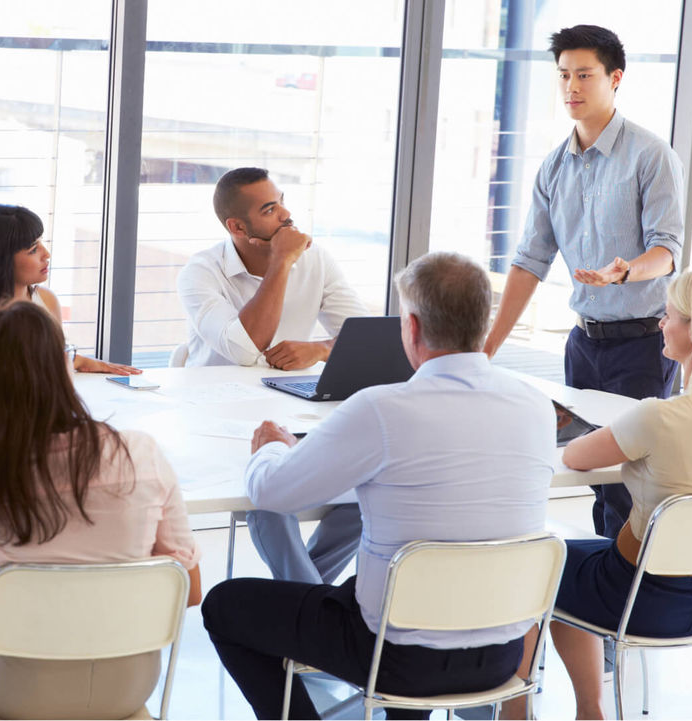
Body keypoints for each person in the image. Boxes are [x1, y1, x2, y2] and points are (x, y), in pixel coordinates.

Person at [203, 252, 556, 720]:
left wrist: (272, 446)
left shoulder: (383, 409)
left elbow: (271, 493)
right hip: (502, 657)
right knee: (401, 599)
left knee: (225, 606)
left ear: (410, 326)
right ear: (483, 321)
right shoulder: (536, 406)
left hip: (395, 660)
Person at [507, 270, 692, 720]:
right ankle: (590, 712)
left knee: (533, 561)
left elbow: (575, 456)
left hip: (637, 599)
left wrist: (628, 444)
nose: (661, 325)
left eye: (668, 315)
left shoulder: (660, 417)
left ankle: (515, 713)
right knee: (573, 558)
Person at [0, 300, 202, 719]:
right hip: (127, 684)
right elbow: (190, 590)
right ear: (65, 366)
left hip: (15, 688)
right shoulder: (140, 454)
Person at [482, 25, 686, 541]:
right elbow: (530, 260)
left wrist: (626, 270)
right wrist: (486, 348)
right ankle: (604, 581)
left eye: (585, 75)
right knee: (594, 478)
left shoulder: (650, 155)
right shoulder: (553, 167)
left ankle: (630, 596)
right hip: (583, 344)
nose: (572, 86)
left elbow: (668, 252)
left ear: (615, 78)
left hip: (643, 343)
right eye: (564, 75)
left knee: (633, 480)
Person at [177, 167, 366, 585]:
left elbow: (364, 336)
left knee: (366, 491)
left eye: (281, 200)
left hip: (295, 409)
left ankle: (304, 601)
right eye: (270, 208)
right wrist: (281, 261)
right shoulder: (200, 272)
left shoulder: (316, 259)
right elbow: (245, 351)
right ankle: (310, 605)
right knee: (269, 501)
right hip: (219, 422)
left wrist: (319, 349)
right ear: (237, 227)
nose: (285, 214)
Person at [0, 203, 140, 378]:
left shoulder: (45, 299)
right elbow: (6, 375)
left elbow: (50, 363)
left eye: (41, 243)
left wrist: (78, 361)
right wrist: (74, 360)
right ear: (0, 261)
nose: (46, 254)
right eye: (32, 250)